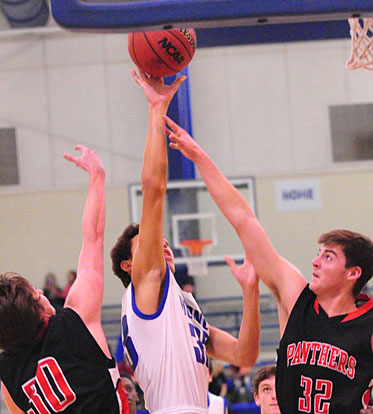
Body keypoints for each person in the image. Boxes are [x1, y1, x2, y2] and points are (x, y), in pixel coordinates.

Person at [164, 115, 373, 414]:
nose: (315, 261)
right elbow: (244, 219)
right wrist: (200, 158)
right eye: (318, 253)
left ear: (353, 273)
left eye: (328, 257)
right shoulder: (296, 298)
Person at [110, 69, 261, 414]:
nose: (159, 242)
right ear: (129, 265)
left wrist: (250, 293)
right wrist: (157, 109)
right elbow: (154, 189)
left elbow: (244, 355)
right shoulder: (145, 285)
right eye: (146, 242)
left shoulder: (184, 308)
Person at [0, 145, 129, 414]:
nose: (39, 290)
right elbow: (93, 235)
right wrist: (97, 177)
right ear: (40, 307)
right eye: (35, 293)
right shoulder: (76, 321)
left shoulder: (7, 372)